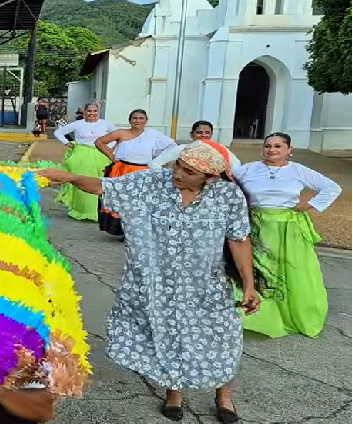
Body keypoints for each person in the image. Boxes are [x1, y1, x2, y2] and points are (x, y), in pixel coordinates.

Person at [39, 143, 262, 424]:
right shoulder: (151, 183)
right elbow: (103, 188)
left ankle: (223, 395)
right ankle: (173, 393)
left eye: (188, 171)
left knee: (221, 338)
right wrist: (70, 177)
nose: (177, 173)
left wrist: (249, 284)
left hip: (207, 285)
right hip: (158, 286)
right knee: (168, 337)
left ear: (211, 177)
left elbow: (238, 239)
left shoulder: (228, 196)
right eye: (178, 165)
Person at [234, 132, 342, 338]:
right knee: (258, 270)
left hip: (287, 228)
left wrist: (311, 204)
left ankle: (294, 313)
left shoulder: (298, 170)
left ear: (289, 150)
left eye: (278, 146)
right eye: (268, 146)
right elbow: (225, 184)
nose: (272, 150)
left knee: (292, 270)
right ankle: (257, 314)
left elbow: (331, 187)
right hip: (256, 225)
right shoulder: (248, 169)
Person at [94, 109, 176, 236]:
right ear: (130, 120)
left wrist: (159, 161)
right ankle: (121, 230)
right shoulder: (121, 133)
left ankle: (137, 230)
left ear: (146, 121)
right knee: (122, 201)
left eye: (141, 118)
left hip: (144, 171)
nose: (138, 121)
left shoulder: (153, 135)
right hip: (123, 170)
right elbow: (99, 142)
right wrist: (112, 157)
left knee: (140, 202)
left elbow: (172, 147)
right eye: (135, 118)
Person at [51, 103, 118, 221]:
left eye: (95, 111)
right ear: (84, 112)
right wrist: (67, 143)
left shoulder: (105, 123)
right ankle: (81, 210)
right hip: (81, 156)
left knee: (100, 182)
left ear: (98, 112)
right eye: (89, 111)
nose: (92, 114)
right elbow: (58, 132)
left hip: (101, 155)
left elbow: (118, 136)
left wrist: (111, 147)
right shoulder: (78, 124)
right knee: (82, 181)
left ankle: (100, 212)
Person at [149, 120, 241, 173]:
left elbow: (236, 166)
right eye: (199, 132)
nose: (203, 135)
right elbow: (154, 164)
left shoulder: (219, 149)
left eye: (207, 133)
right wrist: (172, 175)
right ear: (192, 134)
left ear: (211, 134)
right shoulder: (183, 149)